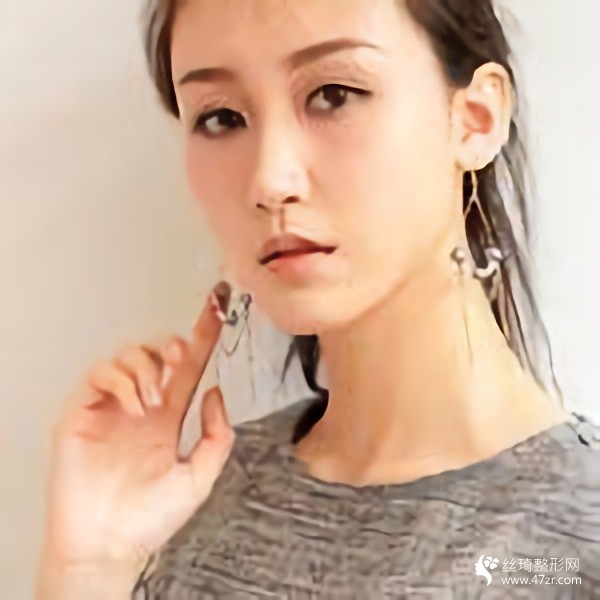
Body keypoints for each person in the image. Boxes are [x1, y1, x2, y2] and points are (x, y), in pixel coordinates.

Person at [36, 0, 600, 598]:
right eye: (221, 117)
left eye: (333, 94)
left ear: (475, 119)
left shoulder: (575, 547)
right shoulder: (179, 502)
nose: (270, 181)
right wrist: (91, 568)